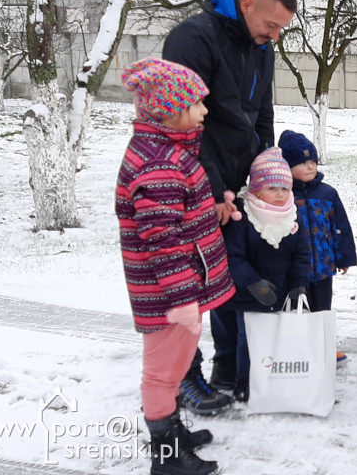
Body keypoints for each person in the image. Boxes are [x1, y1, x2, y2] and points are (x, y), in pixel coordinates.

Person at [163, 0, 297, 413]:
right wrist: (215, 186)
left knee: (226, 278)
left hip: (240, 181)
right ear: (248, 4)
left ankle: (226, 365)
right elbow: (186, 122)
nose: (274, 36)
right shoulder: (193, 39)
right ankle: (182, 377)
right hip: (198, 180)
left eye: (281, 29)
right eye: (272, 25)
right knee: (191, 282)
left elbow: (261, 112)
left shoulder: (262, 47)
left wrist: (266, 166)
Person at [115, 57, 235, 475]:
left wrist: (212, 211)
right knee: (164, 374)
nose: (204, 111)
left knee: (176, 366)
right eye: (197, 104)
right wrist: (183, 298)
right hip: (169, 298)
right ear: (169, 110)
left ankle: (175, 433)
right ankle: (166, 455)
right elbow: (162, 242)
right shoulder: (159, 162)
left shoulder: (170, 151)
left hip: (177, 293)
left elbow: (177, 217)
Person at [223, 147, 313, 403]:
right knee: (248, 340)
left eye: (284, 188)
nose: (280, 194)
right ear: (257, 188)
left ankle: (275, 378)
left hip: (281, 291)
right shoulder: (244, 216)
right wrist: (253, 283)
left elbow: (301, 256)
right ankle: (244, 380)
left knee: (277, 339)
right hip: (248, 294)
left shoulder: (292, 218)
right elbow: (234, 257)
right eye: (273, 188)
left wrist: (299, 285)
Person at [279, 130, 357, 365]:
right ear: (288, 166)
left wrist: (344, 258)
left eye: (312, 160)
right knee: (298, 312)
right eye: (303, 162)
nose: (311, 166)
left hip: (323, 266)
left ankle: (324, 348)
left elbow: (340, 226)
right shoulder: (283, 195)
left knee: (323, 311)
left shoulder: (327, 193)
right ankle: (298, 354)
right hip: (295, 270)